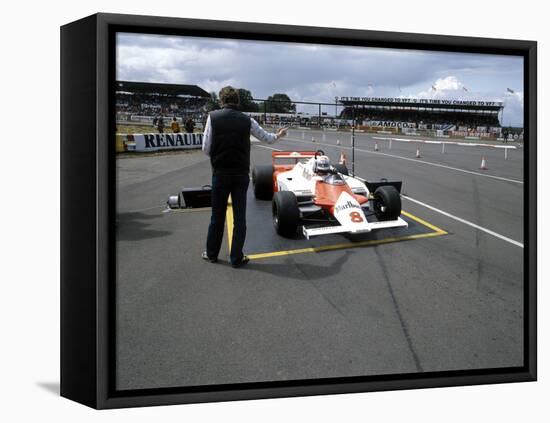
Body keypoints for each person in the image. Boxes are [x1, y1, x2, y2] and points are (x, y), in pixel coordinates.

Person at [202, 86, 288, 268]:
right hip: (240, 175)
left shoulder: (213, 117)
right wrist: (279, 134)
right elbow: (267, 138)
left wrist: (220, 156)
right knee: (239, 218)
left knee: (216, 217)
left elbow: (206, 148)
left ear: (222, 100)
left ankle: (211, 254)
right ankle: (236, 257)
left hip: (220, 173)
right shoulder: (247, 120)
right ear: (237, 101)